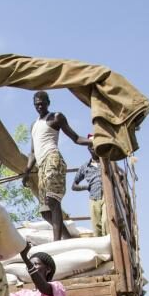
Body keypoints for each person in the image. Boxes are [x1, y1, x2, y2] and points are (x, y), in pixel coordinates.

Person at [23, 91, 90, 241]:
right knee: (45, 211)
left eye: (42, 103)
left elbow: (76, 138)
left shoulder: (56, 117)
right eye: (37, 104)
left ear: (48, 102)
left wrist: (93, 141)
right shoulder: (34, 125)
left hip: (53, 159)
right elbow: (33, 152)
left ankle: (56, 242)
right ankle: (68, 238)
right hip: (41, 167)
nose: (39, 106)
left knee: (53, 201)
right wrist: (26, 171)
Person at [72, 140, 107, 237]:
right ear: (89, 149)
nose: (94, 148)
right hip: (94, 198)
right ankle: (102, 247)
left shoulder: (106, 162)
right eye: (91, 147)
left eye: (96, 146)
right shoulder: (85, 167)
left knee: (106, 222)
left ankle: (110, 244)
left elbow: (118, 175)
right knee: (96, 227)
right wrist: (86, 187)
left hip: (106, 196)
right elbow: (74, 186)